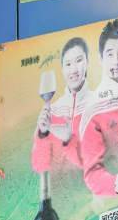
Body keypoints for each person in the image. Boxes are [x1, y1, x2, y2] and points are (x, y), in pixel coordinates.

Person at [78, 20, 118, 198]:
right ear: (100, 58)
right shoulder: (94, 110)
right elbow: (91, 173)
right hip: (111, 198)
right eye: (110, 54)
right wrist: (114, 184)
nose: (116, 60)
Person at [32, 37, 93, 177]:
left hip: (94, 194)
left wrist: (68, 140)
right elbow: (40, 165)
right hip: (60, 194)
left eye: (79, 61)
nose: (74, 70)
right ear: (62, 69)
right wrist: (43, 133)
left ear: (87, 62)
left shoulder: (98, 103)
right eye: (68, 64)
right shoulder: (53, 110)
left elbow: (98, 161)